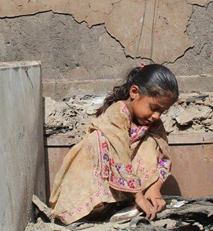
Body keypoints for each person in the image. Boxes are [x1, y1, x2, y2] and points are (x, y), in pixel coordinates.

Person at [49, 64, 179, 224]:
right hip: (98, 187)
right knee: (100, 140)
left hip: (128, 188)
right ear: (134, 92)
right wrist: (139, 196)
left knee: (152, 142)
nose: (156, 116)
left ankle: (127, 205)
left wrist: (155, 187)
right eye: (154, 108)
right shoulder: (117, 113)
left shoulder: (152, 123)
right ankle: (100, 207)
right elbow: (120, 157)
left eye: (162, 111)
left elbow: (164, 157)